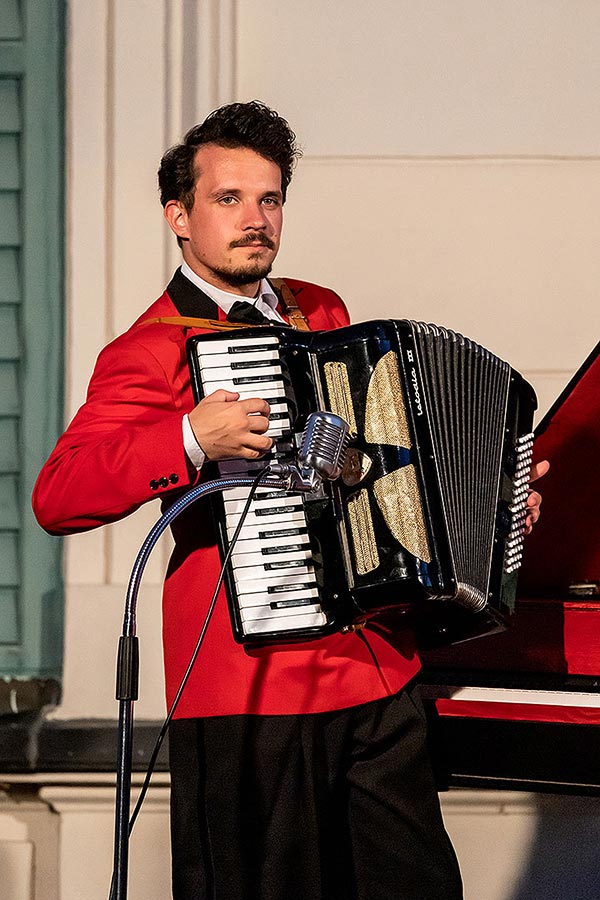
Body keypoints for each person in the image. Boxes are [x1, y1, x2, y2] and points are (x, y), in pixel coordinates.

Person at [32, 101, 546, 900]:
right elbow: (60, 495)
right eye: (229, 199)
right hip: (247, 692)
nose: (255, 219)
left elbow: (379, 471)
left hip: (374, 673)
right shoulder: (149, 349)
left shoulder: (323, 311)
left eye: (269, 199)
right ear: (179, 214)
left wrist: (490, 505)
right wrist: (189, 438)